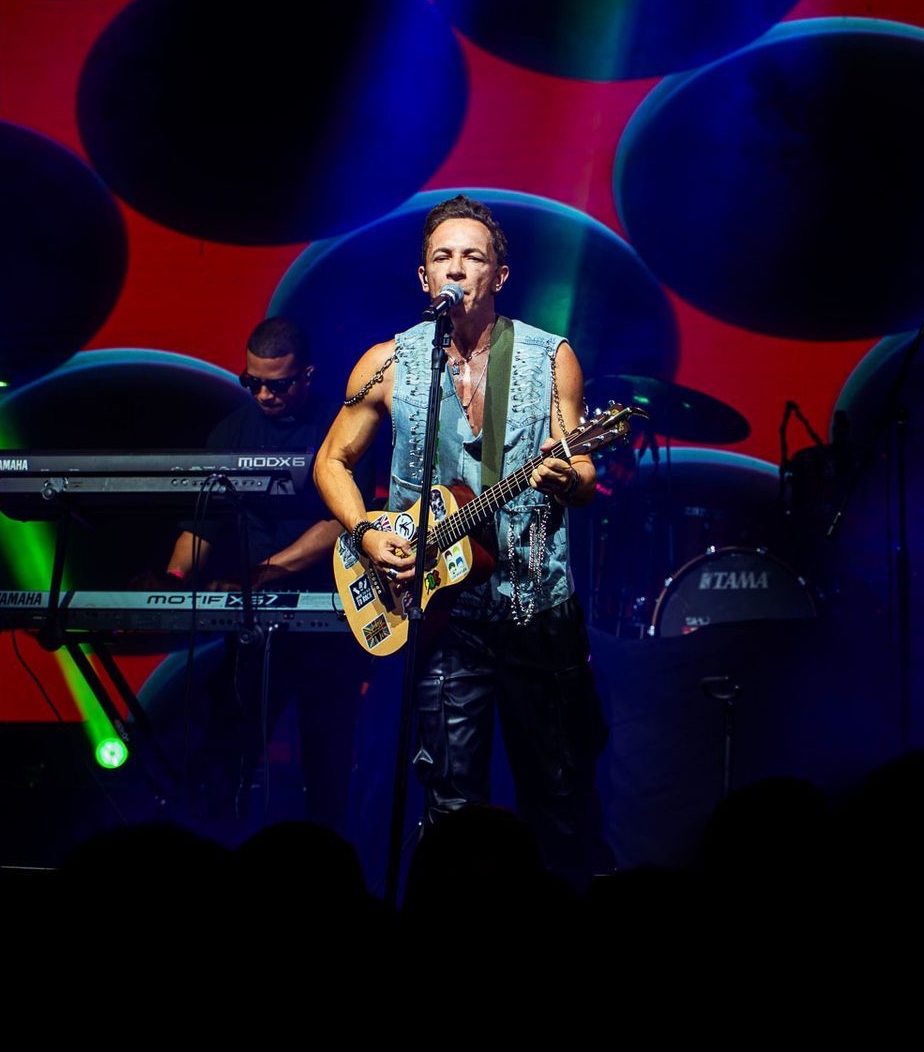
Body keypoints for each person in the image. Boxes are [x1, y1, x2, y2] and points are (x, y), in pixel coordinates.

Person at [314, 195, 612, 882]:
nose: (458, 268)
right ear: (423, 278)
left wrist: (570, 476)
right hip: (440, 614)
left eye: (473, 257)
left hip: (534, 605)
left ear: (499, 275)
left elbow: (586, 469)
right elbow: (331, 461)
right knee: (449, 800)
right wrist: (364, 533)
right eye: (443, 256)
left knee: (560, 794)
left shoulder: (549, 358)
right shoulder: (389, 363)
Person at [155, 317, 371, 836]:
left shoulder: (340, 426)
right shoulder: (229, 433)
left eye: (277, 384)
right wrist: (171, 580)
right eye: (252, 382)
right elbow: (201, 527)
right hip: (253, 621)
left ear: (307, 376)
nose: (264, 394)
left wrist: (268, 571)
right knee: (228, 750)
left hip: (330, 614)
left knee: (327, 758)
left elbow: (340, 521)